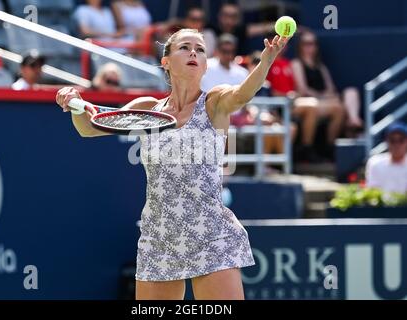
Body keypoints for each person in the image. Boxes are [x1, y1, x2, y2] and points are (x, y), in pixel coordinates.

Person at [56, 28, 289, 299]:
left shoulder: (215, 102)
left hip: (211, 233)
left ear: (204, 64)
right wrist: (73, 104)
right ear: (165, 62)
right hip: (159, 236)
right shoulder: (147, 108)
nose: (193, 52)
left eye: (200, 49)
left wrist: (266, 62)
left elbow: (243, 93)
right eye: (185, 47)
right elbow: (89, 128)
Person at [291, 30, 360, 159]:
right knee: (335, 108)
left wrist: (329, 95)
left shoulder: (320, 67)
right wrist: (323, 96)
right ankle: (320, 147)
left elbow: (330, 87)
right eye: (306, 43)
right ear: (300, 46)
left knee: (349, 94)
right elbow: (303, 89)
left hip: (324, 101)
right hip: (308, 101)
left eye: (313, 43)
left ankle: (350, 124)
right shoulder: (297, 64)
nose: (310, 47)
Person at [209, 3, 274, 55]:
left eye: (233, 16)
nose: (229, 21)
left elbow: (265, 28)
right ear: (219, 16)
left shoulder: (241, 30)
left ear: (238, 19)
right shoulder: (211, 30)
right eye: (226, 16)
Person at [366, 122, 407, 195]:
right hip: (381, 206)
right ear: (387, 141)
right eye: (392, 140)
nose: (397, 144)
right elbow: (372, 192)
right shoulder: (375, 163)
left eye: (401, 140)